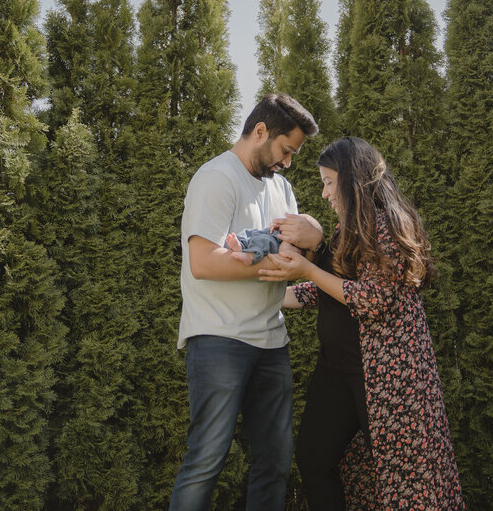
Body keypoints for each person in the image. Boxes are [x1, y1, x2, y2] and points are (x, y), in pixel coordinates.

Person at [259, 136, 465, 510]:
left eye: (328, 183)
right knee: (314, 458)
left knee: (405, 480)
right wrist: (273, 292)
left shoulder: (385, 225)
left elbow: (371, 298)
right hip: (338, 370)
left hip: (387, 377)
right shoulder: (344, 231)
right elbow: (329, 289)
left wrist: (306, 266)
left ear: (353, 182)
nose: (323, 194)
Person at [170, 93, 323, 511]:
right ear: (260, 132)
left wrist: (314, 237)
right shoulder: (216, 178)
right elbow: (202, 262)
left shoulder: (283, 189)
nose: (287, 162)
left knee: (275, 463)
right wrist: (274, 264)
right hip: (219, 338)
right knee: (207, 461)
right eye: (285, 150)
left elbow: (297, 258)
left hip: (272, 342)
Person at [224, 226, 319, 265]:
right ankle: (240, 245)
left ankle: (251, 256)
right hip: (274, 234)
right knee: (252, 234)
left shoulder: (299, 242)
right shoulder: (286, 229)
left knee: (265, 240)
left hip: (276, 243)